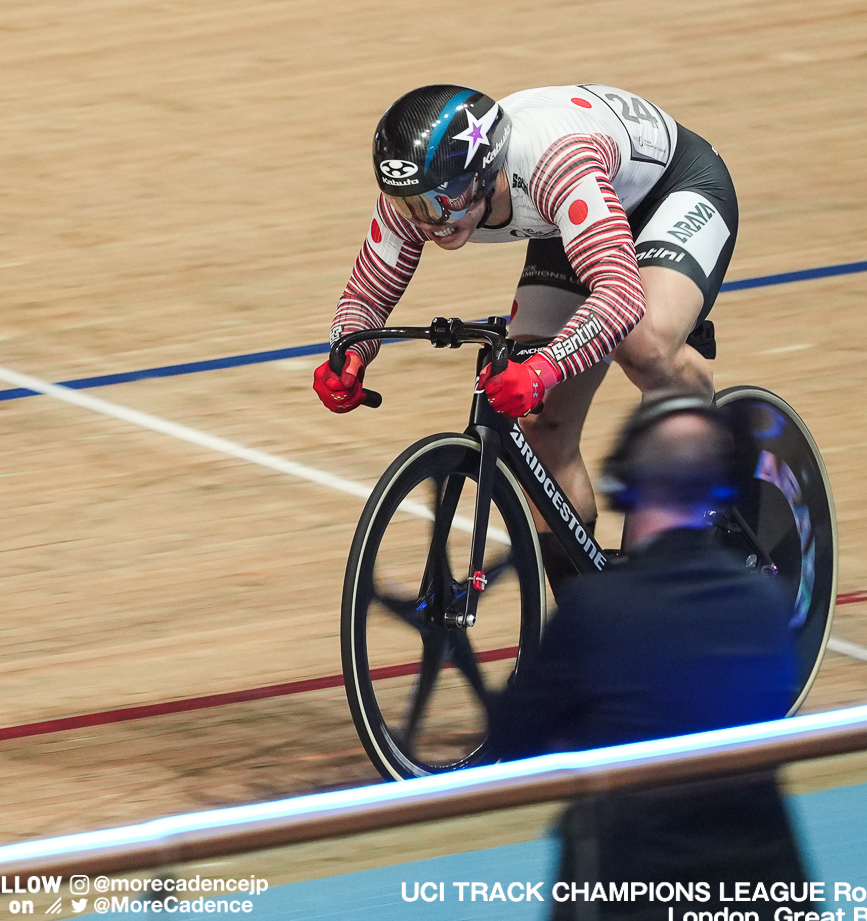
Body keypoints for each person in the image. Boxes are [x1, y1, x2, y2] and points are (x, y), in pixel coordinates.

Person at [315, 83, 738, 580]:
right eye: (413, 206)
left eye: (444, 201)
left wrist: (543, 368)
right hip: (568, 222)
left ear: (487, 171)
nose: (430, 220)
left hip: (671, 189)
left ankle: (698, 422)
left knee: (642, 343)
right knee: (540, 430)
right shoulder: (424, 189)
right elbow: (367, 293)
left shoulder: (552, 163)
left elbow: (620, 295)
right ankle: (588, 605)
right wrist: (349, 352)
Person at [485, 398, 822, 921]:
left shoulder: (597, 607)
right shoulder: (764, 601)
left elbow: (511, 738)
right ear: (720, 494)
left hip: (639, 911)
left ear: (626, 485)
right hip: (767, 911)